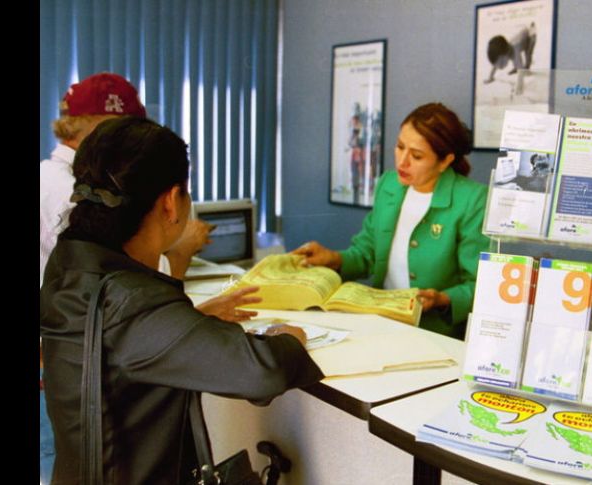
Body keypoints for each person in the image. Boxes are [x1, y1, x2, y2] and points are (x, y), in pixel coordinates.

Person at [40, 116, 323, 484]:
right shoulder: (131, 299)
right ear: (171, 202)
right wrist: (289, 336)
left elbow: (120, 343)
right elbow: (263, 371)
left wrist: (189, 320)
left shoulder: (70, 264)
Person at [294, 103, 491, 339]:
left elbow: (480, 284)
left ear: (445, 161)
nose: (402, 161)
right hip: (383, 325)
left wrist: (442, 299)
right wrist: (333, 258)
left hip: (436, 335)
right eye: (399, 147)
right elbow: (367, 253)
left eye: (416, 155)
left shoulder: (471, 199)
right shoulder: (389, 184)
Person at [40, 72, 211, 284]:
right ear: (105, 127)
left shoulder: (50, 178)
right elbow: (137, 283)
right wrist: (185, 245)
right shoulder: (79, 196)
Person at [483, 22, 537, 92]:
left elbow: (521, 73)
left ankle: (526, 68)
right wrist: (490, 78)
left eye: (501, 63)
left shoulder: (515, 53)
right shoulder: (503, 51)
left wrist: (519, 88)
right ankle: (516, 67)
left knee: (528, 54)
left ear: (505, 55)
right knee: (517, 63)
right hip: (522, 35)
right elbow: (495, 65)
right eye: (499, 64)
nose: (500, 67)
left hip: (531, 35)